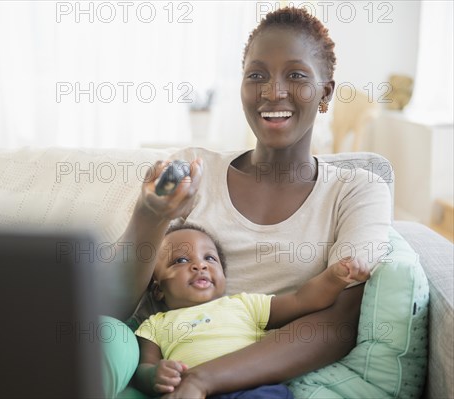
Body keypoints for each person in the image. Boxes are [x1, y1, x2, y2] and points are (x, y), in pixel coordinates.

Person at [107, 6, 391, 398]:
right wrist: (148, 216)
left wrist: (203, 380)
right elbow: (114, 307)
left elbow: (339, 323)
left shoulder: (356, 190)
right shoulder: (194, 168)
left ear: (325, 93)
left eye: (295, 75)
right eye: (256, 75)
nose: (272, 91)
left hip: (247, 386)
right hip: (157, 375)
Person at [132, 224, 371, 398]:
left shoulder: (244, 304)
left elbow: (302, 301)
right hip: (189, 393)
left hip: (253, 388)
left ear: (223, 275)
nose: (199, 265)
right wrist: (154, 376)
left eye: (209, 258)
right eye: (181, 261)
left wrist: (334, 278)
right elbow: (142, 370)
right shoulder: (155, 324)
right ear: (158, 290)